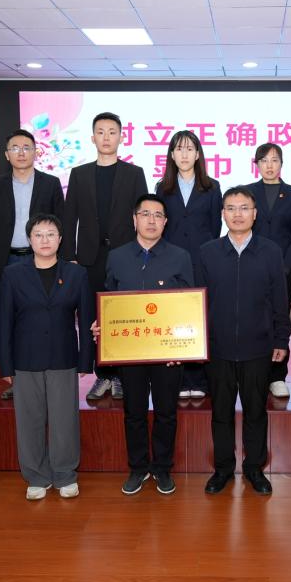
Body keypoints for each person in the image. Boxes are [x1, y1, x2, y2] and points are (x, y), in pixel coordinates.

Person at [197, 186, 290, 496]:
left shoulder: (271, 251)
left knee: (256, 413)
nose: (238, 214)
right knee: (221, 413)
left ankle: (254, 469)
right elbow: (197, 301)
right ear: (223, 214)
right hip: (218, 348)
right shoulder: (208, 252)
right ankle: (223, 469)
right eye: (231, 208)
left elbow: (279, 300)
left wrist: (281, 338)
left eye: (244, 208)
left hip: (258, 347)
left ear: (255, 213)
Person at [99, 194, 194, 496]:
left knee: (166, 411)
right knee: (134, 412)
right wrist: (103, 326)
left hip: (167, 351)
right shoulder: (117, 257)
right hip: (131, 352)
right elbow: (109, 302)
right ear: (134, 219)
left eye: (158, 215)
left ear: (166, 222)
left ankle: (162, 468)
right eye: (145, 214)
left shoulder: (180, 257)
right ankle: (138, 467)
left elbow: (189, 306)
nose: (152, 220)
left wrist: (182, 347)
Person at [0, 213, 94, 501]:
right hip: (25, 358)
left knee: (65, 420)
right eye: (38, 235)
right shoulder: (13, 274)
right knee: (29, 420)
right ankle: (36, 476)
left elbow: (86, 318)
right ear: (29, 239)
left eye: (51, 234)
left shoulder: (76, 274)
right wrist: (5, 365)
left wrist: (85, 361)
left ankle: (65, 474)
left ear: (60, 239)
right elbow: (3, 323)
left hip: (64, 357)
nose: (45, 240)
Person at [61, 112, 148, 401]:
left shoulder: (134, 173)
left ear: (121, 137)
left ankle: (122, 375)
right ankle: (103, 374)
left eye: (112, 132)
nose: (106, 137)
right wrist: (70, 257)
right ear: (92, 137)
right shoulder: (79, 174)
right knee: (93, 316)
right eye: (101, 132)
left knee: (124, 315)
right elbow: (69, 217)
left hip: (125, 256)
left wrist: (141, 253)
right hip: (89, 258)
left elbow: (142, 215)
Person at [0, 128, 64, 400]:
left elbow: (60, 223)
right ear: (7, 154)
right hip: (8, 261)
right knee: (11, 320)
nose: (21, 152)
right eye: (15, 148)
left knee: (39, 319)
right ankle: (17, 379)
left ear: (36, 152)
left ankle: (45, 375)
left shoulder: (50, 183)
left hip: (40, 260)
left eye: (27, 147)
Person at [156, 130, 221, 402]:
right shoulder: (162, 188)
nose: (184, 154)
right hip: (172, 262)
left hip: (202, 261)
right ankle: (181, 379)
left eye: (189, 148)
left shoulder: (212, 187)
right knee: (175, 319)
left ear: (197, 154)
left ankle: (200, 378)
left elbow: (215, 226)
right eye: (179, 149)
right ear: (172, 154)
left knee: (200, 319)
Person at [249, 142, 291, 399]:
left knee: (280, 320)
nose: (269, 165)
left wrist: (287, 266)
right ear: (257, 164)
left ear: (282, 164)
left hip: (284, 269)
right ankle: (256, 372)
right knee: (255, 319)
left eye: (274, 160)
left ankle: (278, 376)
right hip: (253, 267)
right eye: (264, 161)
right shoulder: (248, 193)